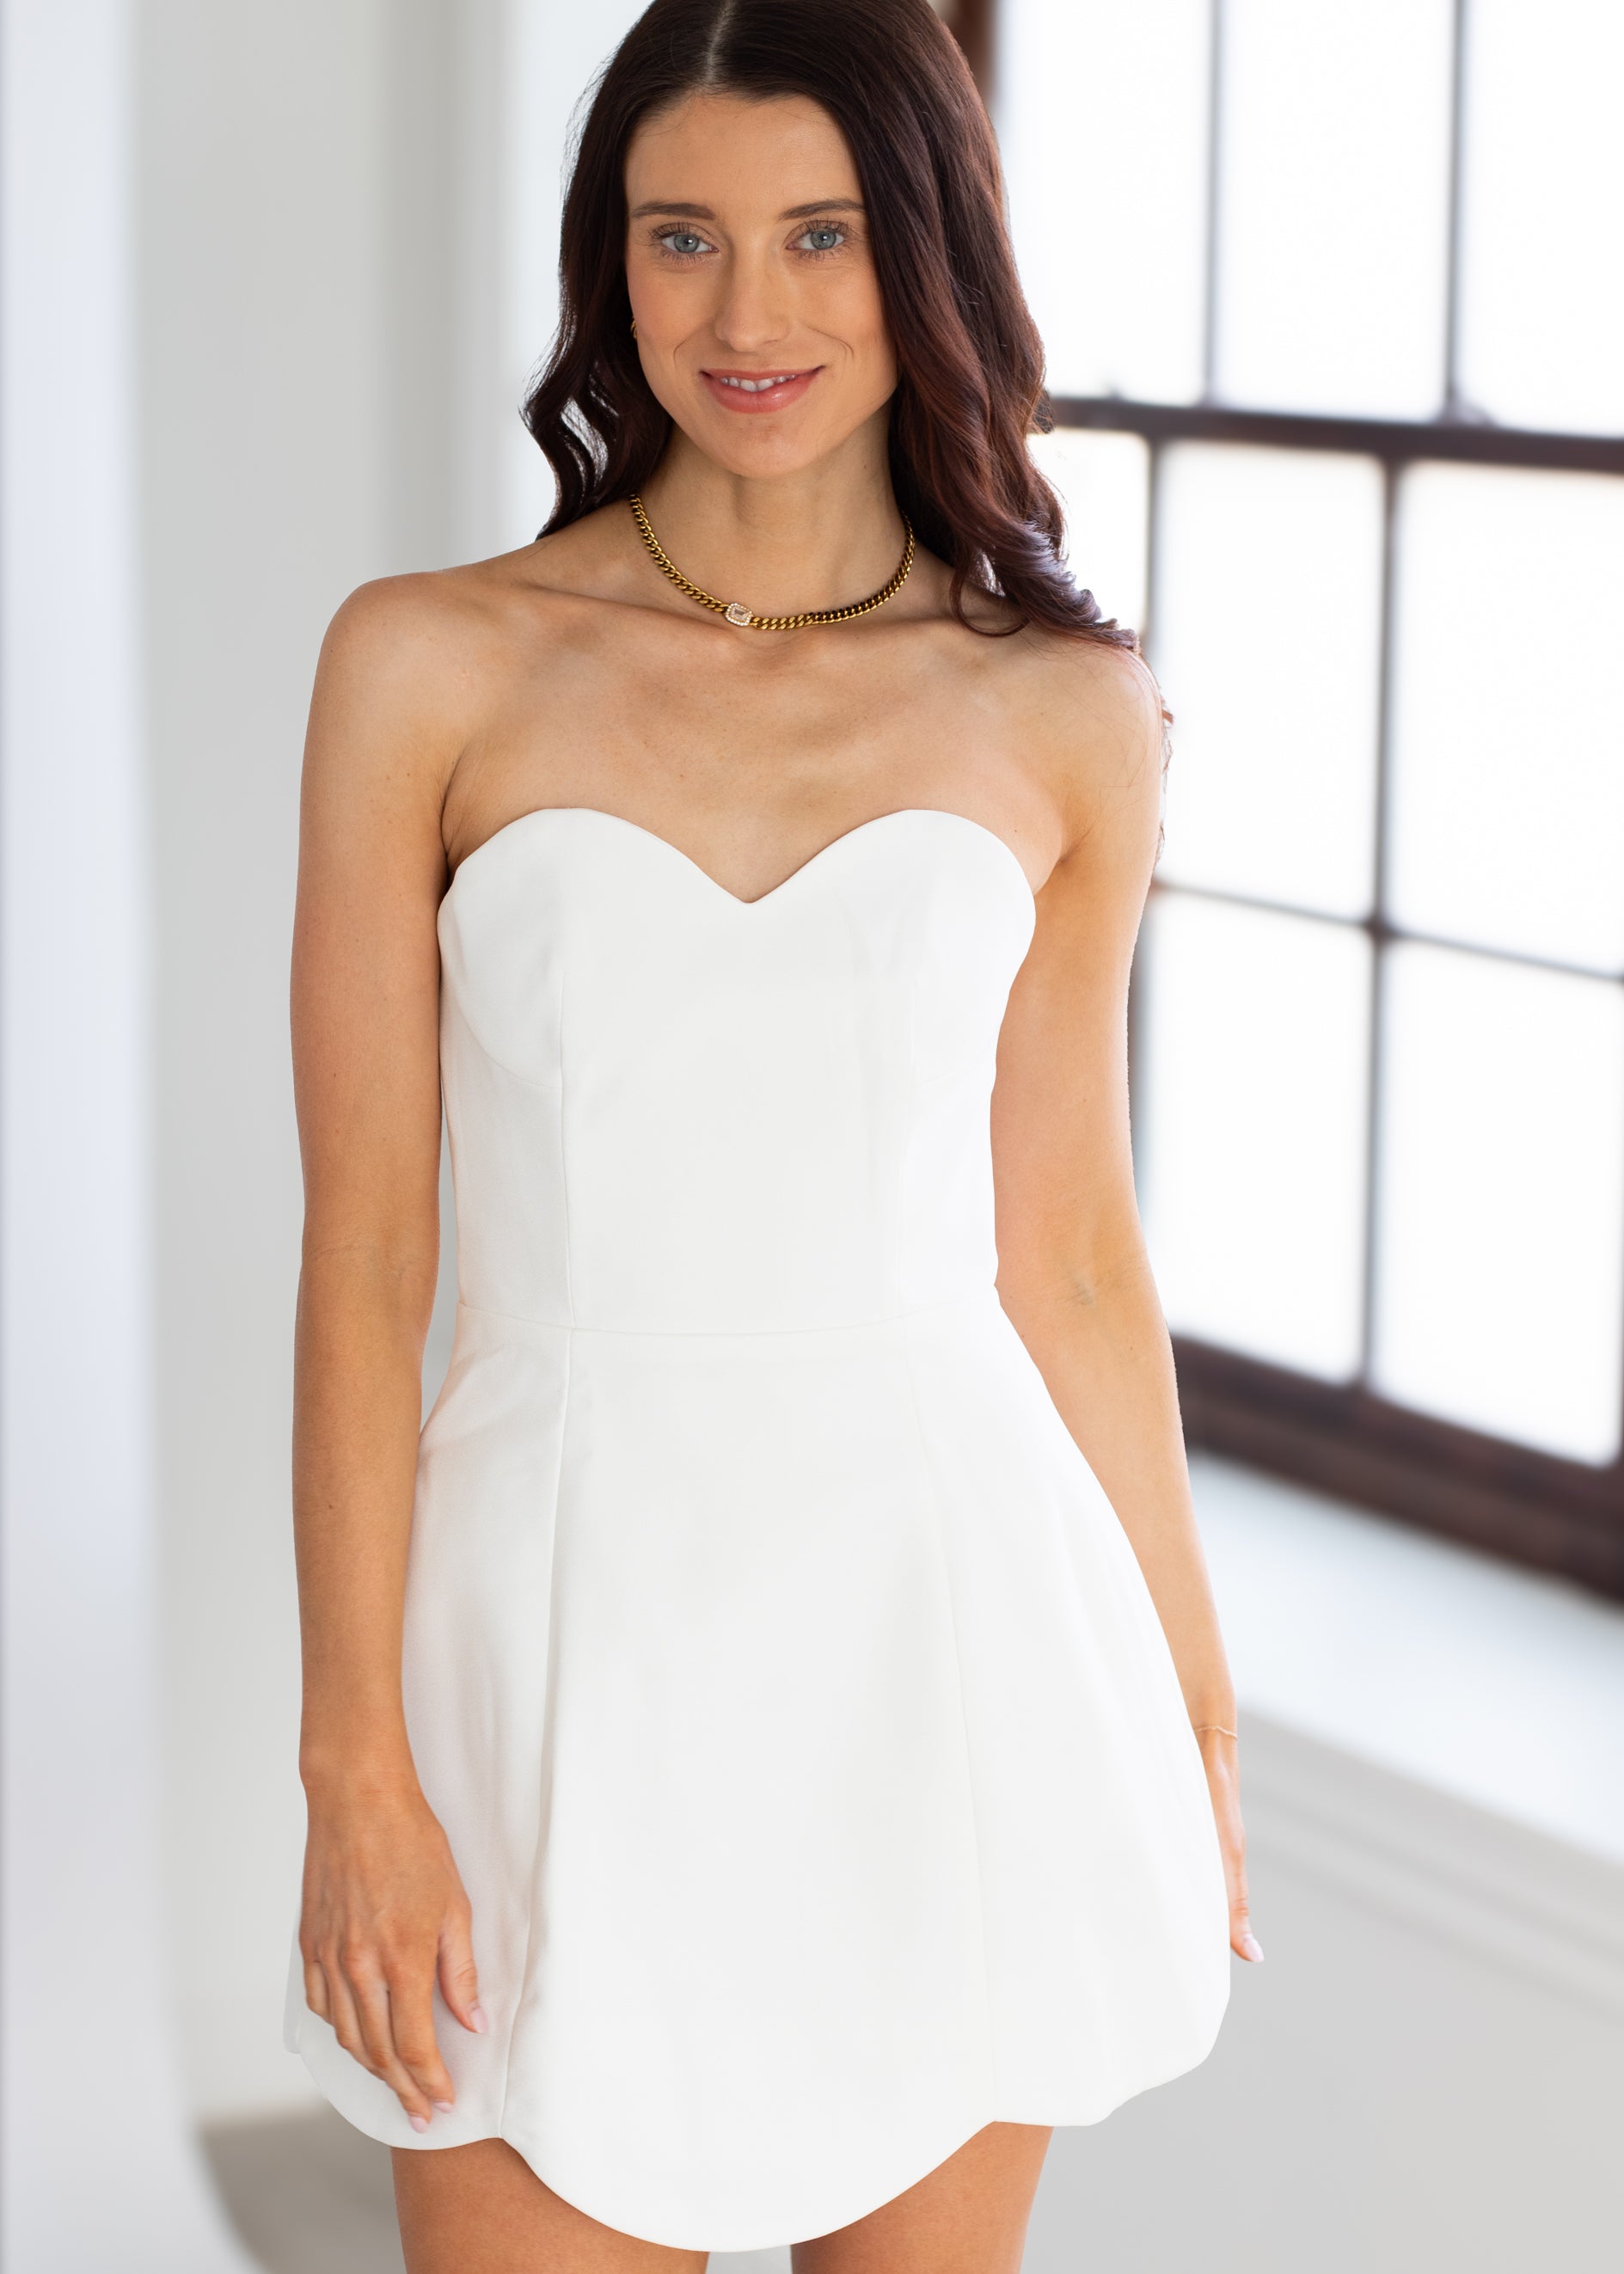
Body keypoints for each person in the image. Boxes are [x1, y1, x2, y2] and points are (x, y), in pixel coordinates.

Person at [283, 3, 1259, 2268]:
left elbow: (1074, 1252)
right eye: (681, 239)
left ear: (922, 254)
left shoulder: (1066, 713)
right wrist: (355, 1761)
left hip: (944, 1648)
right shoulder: (426, 667)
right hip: (542, 1652)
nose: (749, 315)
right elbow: (362, 1259)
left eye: (820, 235)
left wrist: (1186, 1703)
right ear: (605, 270)